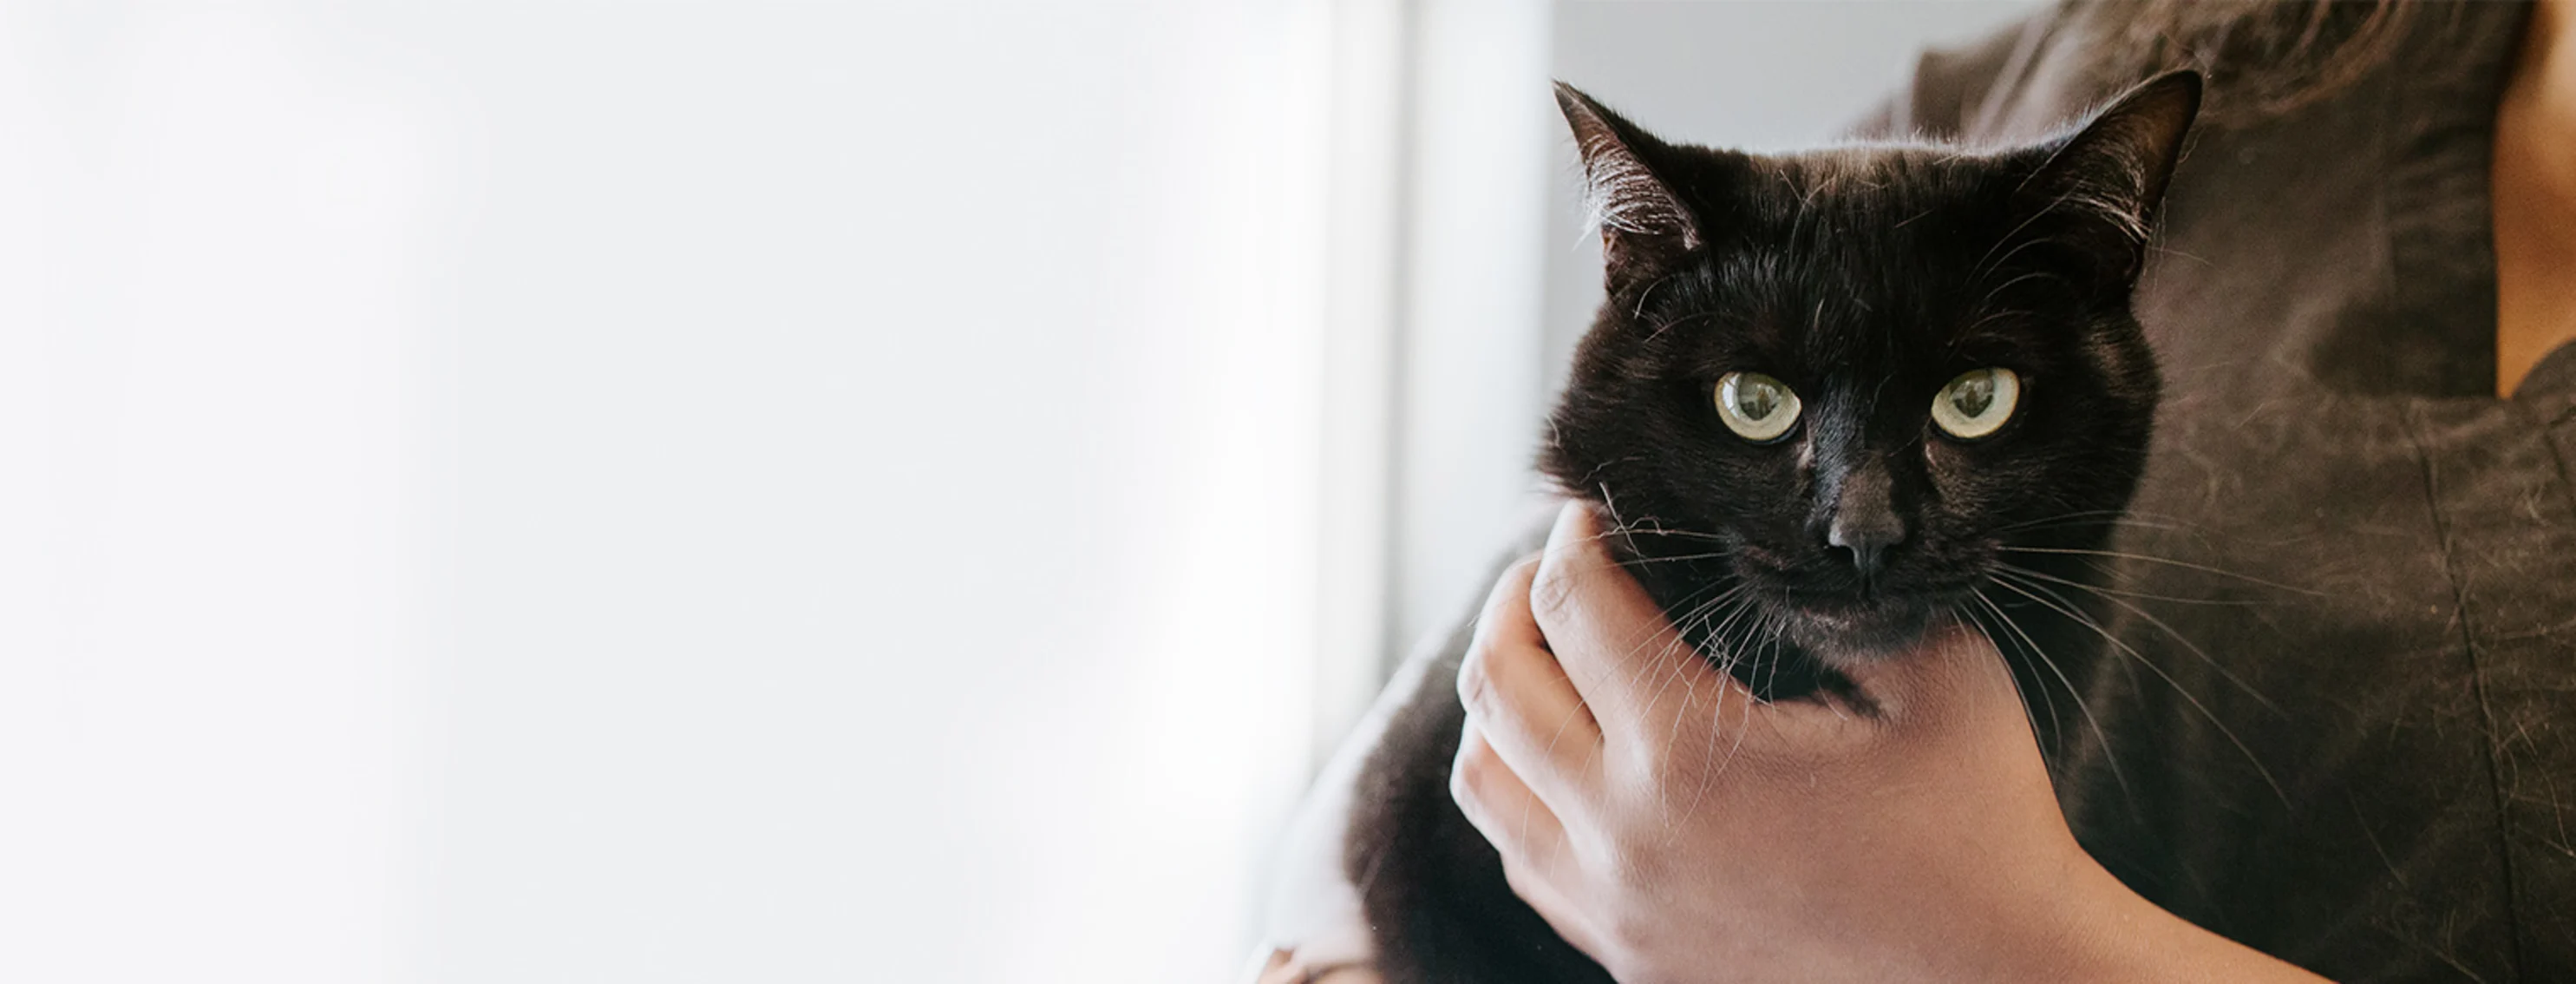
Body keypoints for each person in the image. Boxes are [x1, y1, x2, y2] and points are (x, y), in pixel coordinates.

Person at [1253, 0, 2576, 981]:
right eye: (1761, 410)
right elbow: (1461, 686)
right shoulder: (2165, 45)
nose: (1860, 523)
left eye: (1971, 406)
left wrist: (1988, 944)